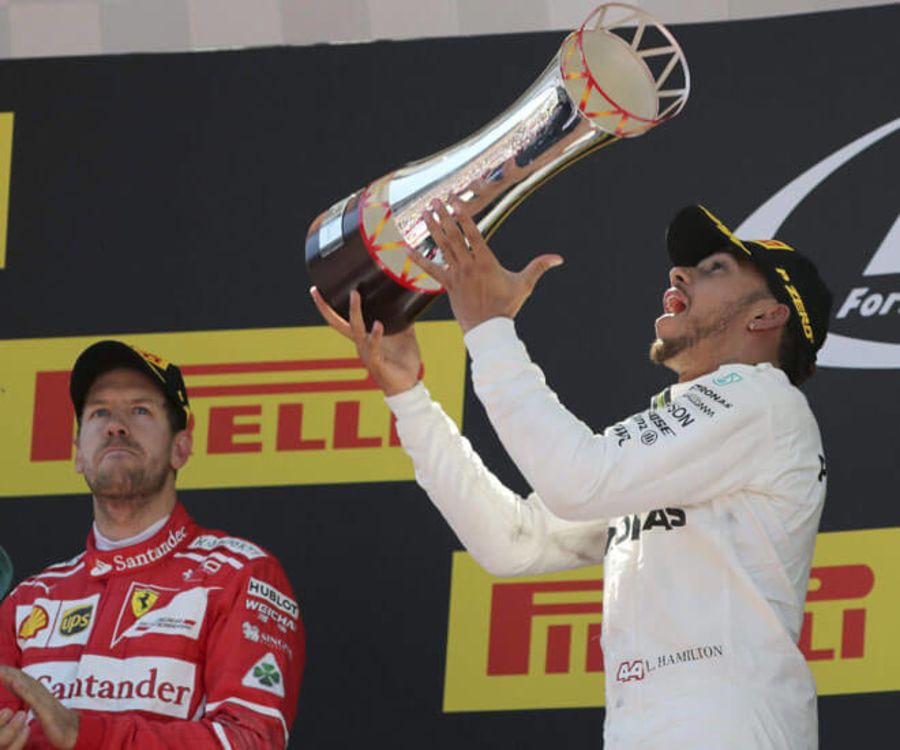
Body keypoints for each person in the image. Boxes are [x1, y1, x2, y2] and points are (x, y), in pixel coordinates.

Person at [312, 202, 832, 749]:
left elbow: (579, 479)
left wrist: (489, 328)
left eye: (715, 269)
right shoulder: (692, 439)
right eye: (688, 266)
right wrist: (409, 397)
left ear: (766, 316)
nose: (680, 274)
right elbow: (515, 542)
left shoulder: (762, 401)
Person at [0, 341, 304, 749]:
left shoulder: (238, 575)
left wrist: (81, 734)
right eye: (99, 412)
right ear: (77, 454)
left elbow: (251, 740)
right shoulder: (28, 601)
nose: (116, 426)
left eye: (140, 410)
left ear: (181, 447)